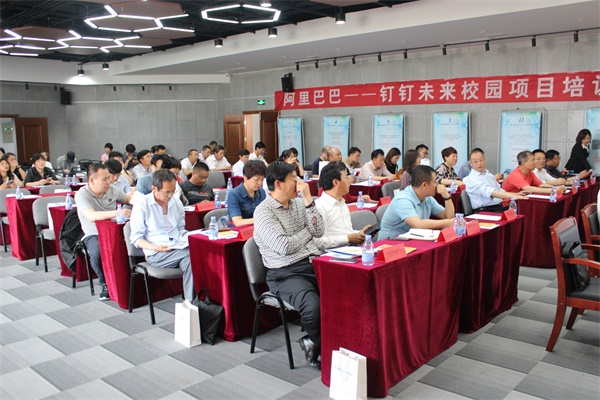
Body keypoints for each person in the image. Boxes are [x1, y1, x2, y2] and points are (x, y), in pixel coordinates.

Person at [253, 161, 324, 369]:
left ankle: (319, 340)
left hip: (313, 263)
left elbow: (319, 231)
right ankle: (317, 343)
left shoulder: (300, 204)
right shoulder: (264, 212)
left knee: (345, 292)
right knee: (313, 307)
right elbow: (284, 246)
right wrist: (307, 233)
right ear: (278, 184)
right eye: (294, 179)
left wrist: (309, 201)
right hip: (284, 273)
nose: (299, 183)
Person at [129, 169, 195, 302]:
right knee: (194, 253)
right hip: (156, 253)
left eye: (173, 191)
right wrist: (155, 247)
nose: (170, 196)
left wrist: (188, 237)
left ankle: (189, 303)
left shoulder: (176, 202)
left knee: (192, 260)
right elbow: (136, 238)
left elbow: (180, 228)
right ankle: (192, 303)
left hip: (177, 246)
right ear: (154, 188)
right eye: (166, 192)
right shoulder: (142, 205)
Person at [75, 163, 133, 300]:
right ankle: (105, 282)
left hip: (114, 231)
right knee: (97, 252)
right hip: (94, 233)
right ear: (92, 180)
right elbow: (91, 216)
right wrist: (118, 212)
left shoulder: (112, 189)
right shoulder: (82, 194)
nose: (109, 181)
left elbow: (127, 199)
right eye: (105, 179)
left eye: (109, 178)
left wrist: (136, 196)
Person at [379, 165, 455, 239]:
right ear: (424, 185)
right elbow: (417, 224)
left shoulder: (427, 198)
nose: (437, 185)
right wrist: (449, 222)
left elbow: (448, 216)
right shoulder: (403, 199)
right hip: (391, 242)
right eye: (435, 182)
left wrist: (447, 197)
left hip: (412, 239)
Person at [314, 161, 369, 251]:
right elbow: (318, 242)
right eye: (346, 178)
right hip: (330, 254)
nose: (349, 182)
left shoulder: (342, 203)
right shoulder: (319, 207)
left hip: (349, 249)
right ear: (335, 182)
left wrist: (360, 234)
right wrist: (347, 238)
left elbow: (347, 232)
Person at [227, 160, 267, 226]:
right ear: (245, 178)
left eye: (262, 179)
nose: (260, 183)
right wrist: (260, 219)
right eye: (256, 180)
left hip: (258, 228)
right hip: (241, 229)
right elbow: (237, 222)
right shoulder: (234, 194)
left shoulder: (261, 192)